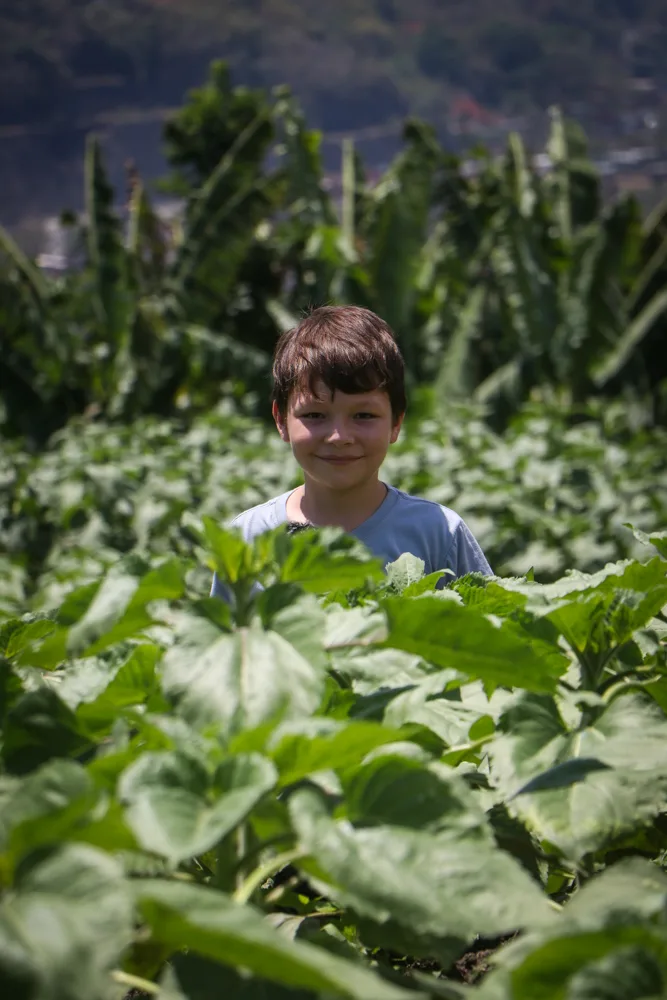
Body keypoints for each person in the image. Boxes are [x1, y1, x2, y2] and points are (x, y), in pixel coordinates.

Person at [211, 305, 491, 599]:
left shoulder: (439, 533)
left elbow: (495, 621)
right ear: (281, 420)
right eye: (315, 415)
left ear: (396, 423)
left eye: (363, 416)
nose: (339, 437)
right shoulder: (247, 538)